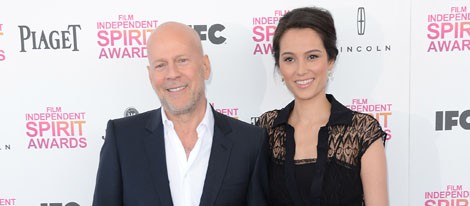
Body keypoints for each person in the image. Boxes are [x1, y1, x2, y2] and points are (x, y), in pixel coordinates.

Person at [93, 21, 268, 206]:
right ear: (150, 75)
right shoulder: (122, 139)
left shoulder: (249, 143)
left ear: (205, 66)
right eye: (160, 65)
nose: (172, 74)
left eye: (182, 60)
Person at [255, 7, 389, 206]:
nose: (301, 70)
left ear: (331, 60)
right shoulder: (266, 128)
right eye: (289, 59)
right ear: (279, 66)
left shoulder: (362, 131)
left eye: (312, 57)